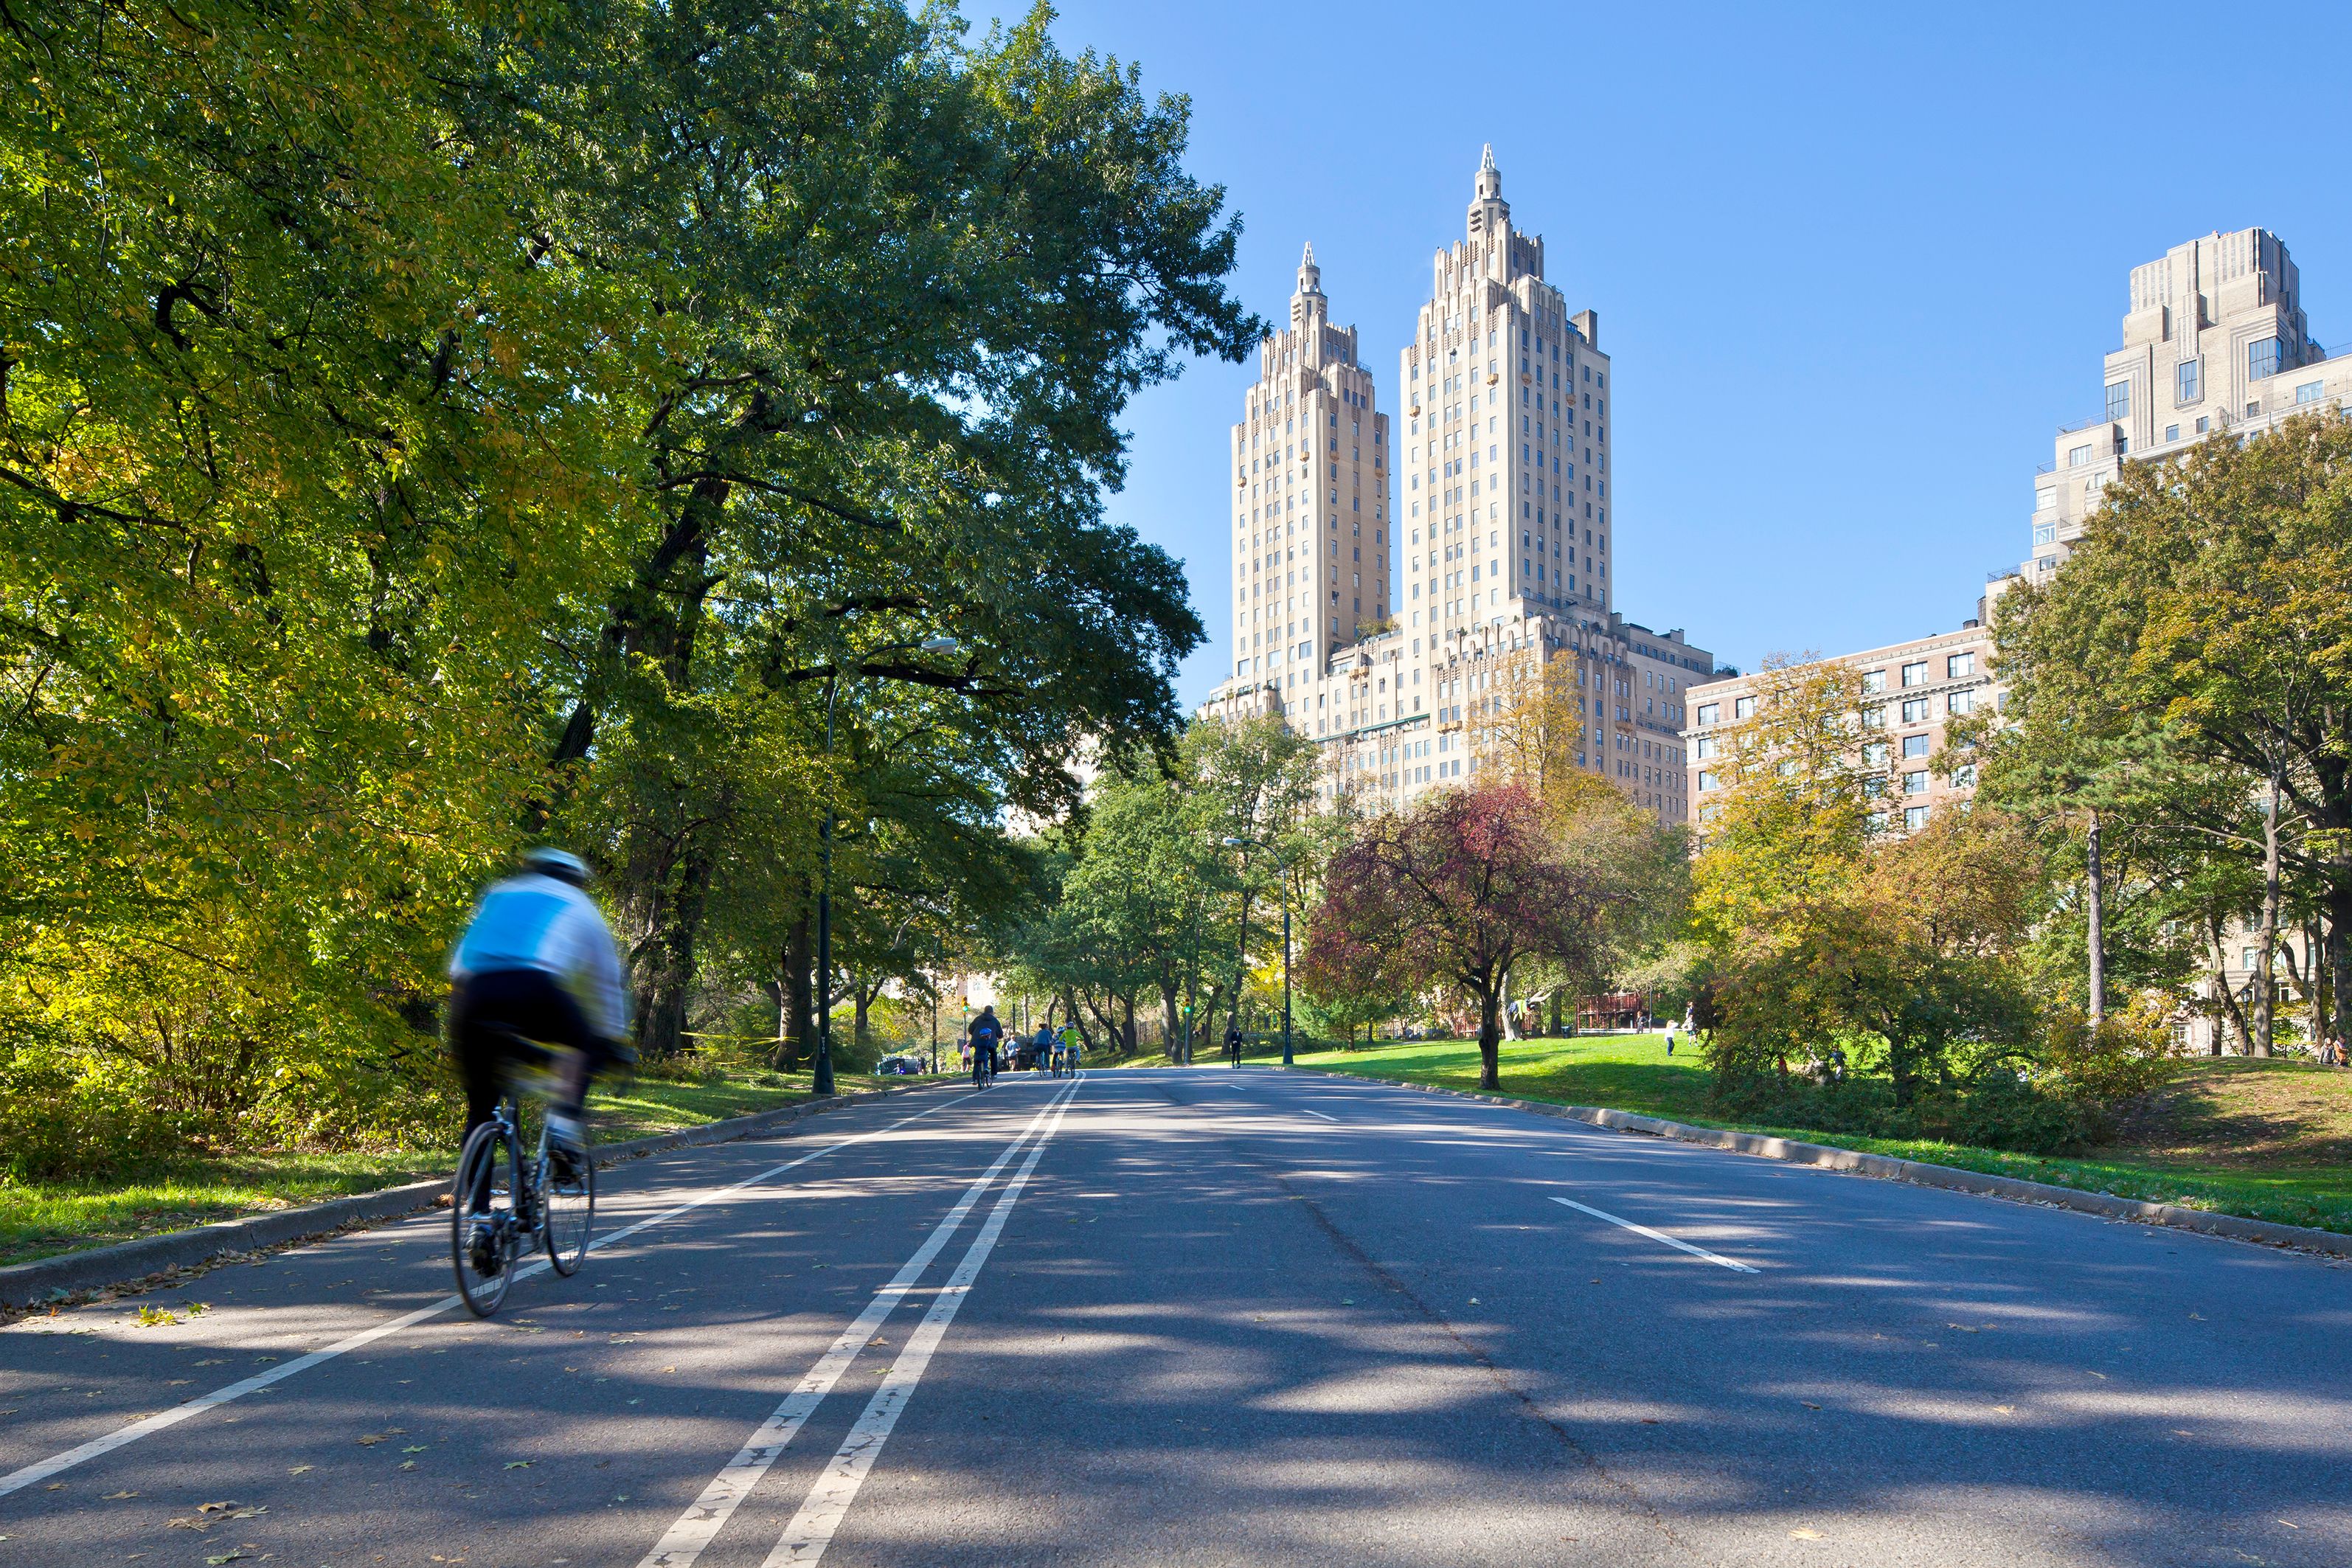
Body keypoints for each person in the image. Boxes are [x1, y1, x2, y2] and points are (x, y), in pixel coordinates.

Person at [448, 848, 632, 1252]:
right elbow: (605, 982)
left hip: (471, 995)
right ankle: (564, 1133)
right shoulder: (580, 904)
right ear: (577, 878)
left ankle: (478, 1218)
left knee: (481, 1109)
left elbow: (461, 958)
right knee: (582, 1043)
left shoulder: (500, 894)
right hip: (532, 986)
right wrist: (614, 1040)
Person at [968, 1005, 1005, 1086]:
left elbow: (970, 1029)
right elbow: (1000, 1034)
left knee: (977, 1056)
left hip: (977, 1041)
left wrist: (976, 1035)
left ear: (984, 1011)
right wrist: (996, 1037)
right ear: (992, 1012)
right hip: (990, 1041)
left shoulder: (977, 1019)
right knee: (993, 1054)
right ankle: (993, 1073)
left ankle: (974, 1079)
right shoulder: (995, 1021)